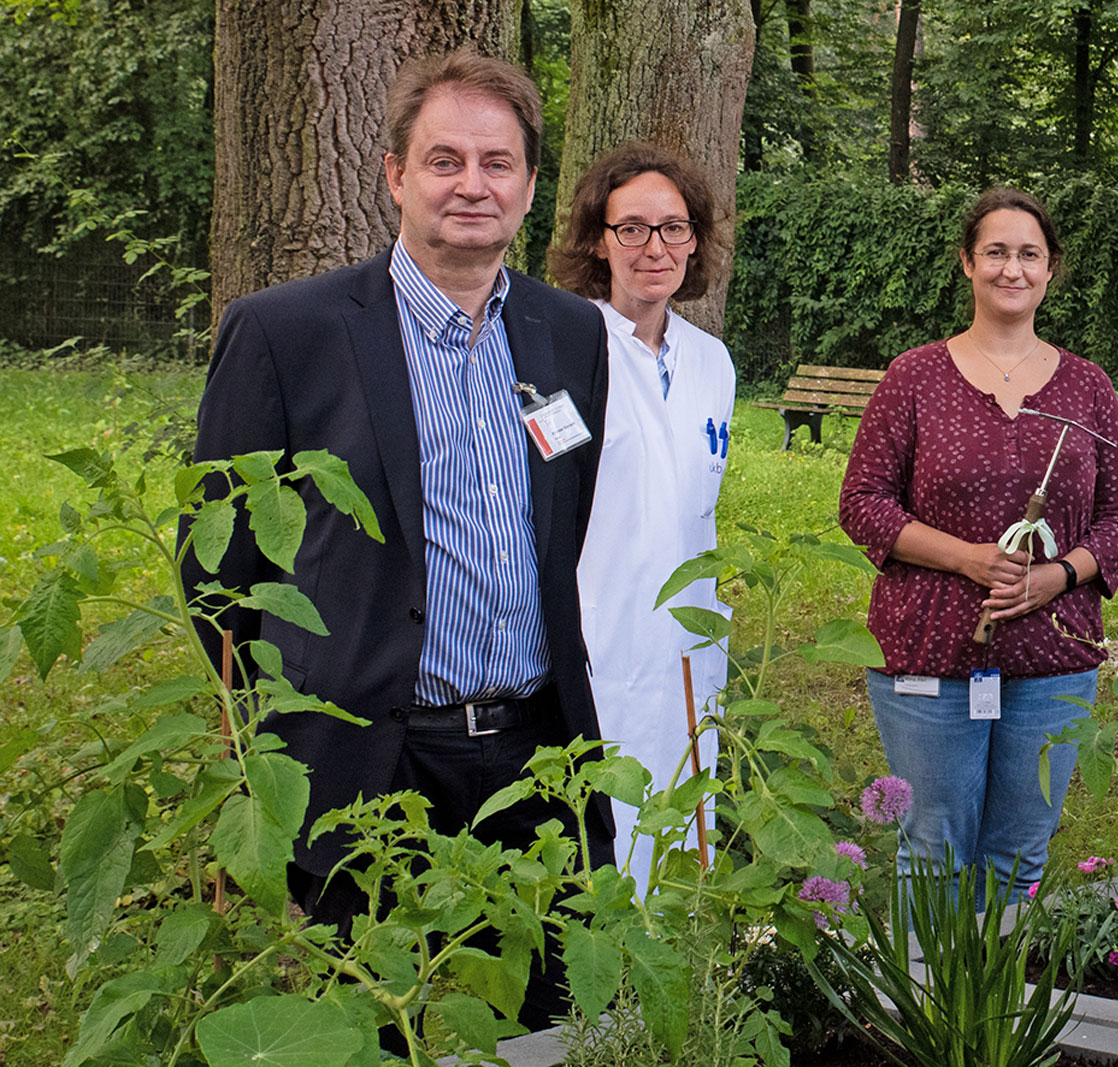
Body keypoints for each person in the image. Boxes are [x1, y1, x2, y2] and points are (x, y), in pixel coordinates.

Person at [183, 51, 611, 1028]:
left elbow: (564, 516)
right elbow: (218, 572)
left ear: (530, 184)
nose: (473, 184)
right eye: (444, 159)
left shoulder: (569, 332)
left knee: (552, 1021)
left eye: (497, 163)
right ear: (393, 175)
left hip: (537, 759)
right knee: (365, 1028)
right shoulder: (285, 334)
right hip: (367, 762)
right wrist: (269, 740)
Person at [838, 188, 1118, 891]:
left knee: (1020, 856)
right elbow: (862, 503)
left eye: (1029, 254)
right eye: (997, 252)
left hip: (1054, 657)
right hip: (928, 651)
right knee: (934, 853)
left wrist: (1058, 575)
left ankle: (1000, 1000)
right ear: (967, 264)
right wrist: (969, 558)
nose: (1013, 268)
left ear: (1050, 268)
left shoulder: (1088, 388)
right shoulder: (914, 377)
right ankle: (931, 1000)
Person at [549, 142, 737, 900]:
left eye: (673, 228)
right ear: (599, 240)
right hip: (599, 633)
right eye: (632, 229)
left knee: (687, 833)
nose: (654, 248)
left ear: (696, 240)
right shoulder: (563, 348)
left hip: (690, 642)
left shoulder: (712, 361)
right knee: (603, 838)